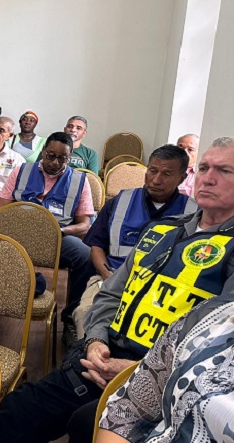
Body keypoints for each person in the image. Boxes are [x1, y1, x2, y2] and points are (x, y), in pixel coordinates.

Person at [0, 137, 234, 443]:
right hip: (104, 353)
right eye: (204, 167)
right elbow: (110, 294)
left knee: (86, 424)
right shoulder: (164, 230)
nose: (209, 177)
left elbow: (222, 349)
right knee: (9, 417)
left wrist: (141, 371)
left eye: (225, 170)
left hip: (163, 381)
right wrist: (96, 340)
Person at [73, 145, 197, 339]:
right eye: (153, 171)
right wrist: (108, 275)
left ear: (182, 178)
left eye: (166, 174)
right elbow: (96, 245)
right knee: (86, 313)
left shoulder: (193, 213)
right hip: (110, 277)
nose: (156, 180)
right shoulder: (120, 201)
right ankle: (85, 362)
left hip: (162, 291)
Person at [0, 131, 96, 345]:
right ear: (43, 151)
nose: (55, 162)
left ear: (69, 158)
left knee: (87, 258)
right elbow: (2, 210)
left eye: (62, 158)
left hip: (57, 238)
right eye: (50, 155)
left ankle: (69, 316)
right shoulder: (21, 171)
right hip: (19, 233)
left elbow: (84, 225)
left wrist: (61, 231)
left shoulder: (80, 181)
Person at [97, 293, 234, 443]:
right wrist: (95, 340)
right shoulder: (213, 315)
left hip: (130, 358)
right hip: (112, 350)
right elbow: (128, 411)